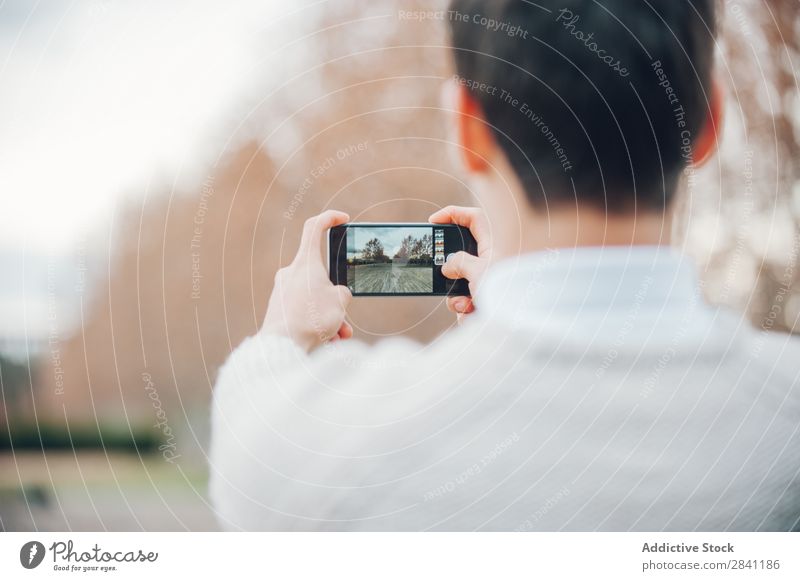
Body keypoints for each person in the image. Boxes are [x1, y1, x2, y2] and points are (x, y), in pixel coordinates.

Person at [209, 0, 800, 531]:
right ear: (709, 123)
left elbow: (247, 446)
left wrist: (282, 330)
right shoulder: (783, 421)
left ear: (466, 126)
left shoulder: (344, 448)